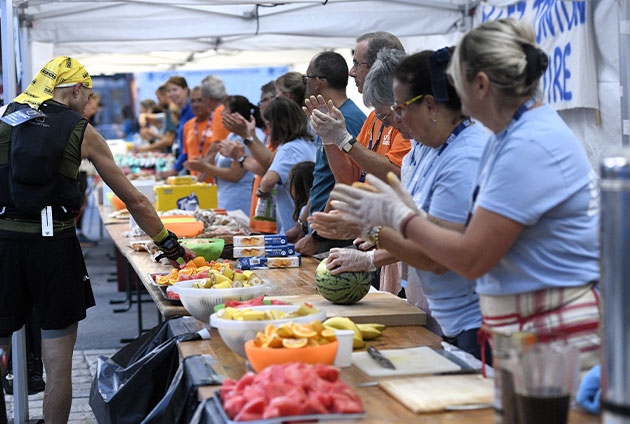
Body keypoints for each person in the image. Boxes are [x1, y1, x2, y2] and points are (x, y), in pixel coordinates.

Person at [323, 18, 601, 369]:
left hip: (552, 336)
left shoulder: (525, 145)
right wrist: (387, 223)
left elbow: (468, 257)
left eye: (456, 83)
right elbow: (452, 233)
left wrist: (392, 221)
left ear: (481, 85)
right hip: (528, 328)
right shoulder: (512, 137)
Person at [0, 57, 194, 424]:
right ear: (74, 90)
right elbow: (134, 199)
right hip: (53, 248)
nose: (88, 101)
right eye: (87, 93)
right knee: (58, 363)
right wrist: (169, 245)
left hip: (4, 244)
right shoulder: (81, 131)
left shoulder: (6, 119)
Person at [311, 48, 489, 359]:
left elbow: (438, 254)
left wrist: (370, 232)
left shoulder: (464, 159)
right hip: (438, 308)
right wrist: (371, 255)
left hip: (471, 318)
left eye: (400, 109)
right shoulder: (427, 149)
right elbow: (421, 232)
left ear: (431, 105)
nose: (395, 121)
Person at [302, 32, 410, 263]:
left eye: (356, 63)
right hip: (377, 239)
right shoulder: (373, 117)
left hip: (396, 242)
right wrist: (330, 139)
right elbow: (349, 179)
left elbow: (396, 173)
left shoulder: (404, 119)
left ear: (379, 66)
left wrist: (343, 139)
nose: (351, 72)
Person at [292, 51, 366, 254]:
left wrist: (318, 236)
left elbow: (347, 182)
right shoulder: (329, 117)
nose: (305, 84)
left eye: (306, 78)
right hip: (322, 231)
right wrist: (303, 224)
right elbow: (322, 176)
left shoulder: (347, 119)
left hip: (333, 236)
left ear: (317, 82)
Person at [185, 95, 264, 215]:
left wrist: (205, 168)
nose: (221, 113)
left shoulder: (244, 139)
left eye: (225, 109)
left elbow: (235, 175)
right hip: (226, 200)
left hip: (239, 204)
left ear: (235, 115)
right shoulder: (231, 136)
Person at [219, 82, 278, 233]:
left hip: (248, 202)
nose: (221, 113)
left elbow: (266, 168)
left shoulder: (251, 135)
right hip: (254, 205)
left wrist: (240, 154)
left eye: (225, 109)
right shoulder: (243, 134)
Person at [257, 97, 316, 234]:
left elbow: (268, 181)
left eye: (270, 125)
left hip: (293, 226)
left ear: (283, 123)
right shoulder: (305, 143)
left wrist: (261, 191)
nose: (269, 131)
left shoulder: (289, 149)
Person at [164, 75, 194, 177]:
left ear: (185, 90)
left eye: (175, 90)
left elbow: (189, 146)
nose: (171, 94)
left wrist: (175, 169)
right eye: (169, 91)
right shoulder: (182, 112)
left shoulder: (191, 111)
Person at [137, 84, 177, 153]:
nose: (159, 102)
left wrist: (145, 148)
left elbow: (169, 140)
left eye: (159, 98)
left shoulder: (171, 112)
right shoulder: (166, 114)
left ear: (165, 95)